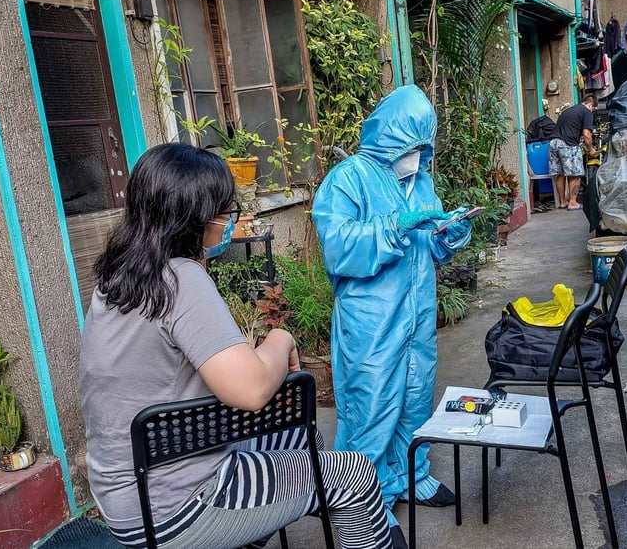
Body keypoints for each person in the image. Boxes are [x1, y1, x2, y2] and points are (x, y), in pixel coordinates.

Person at [80, 143, 397, 549]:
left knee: (300, 439)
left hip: (130, 492)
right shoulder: (180, 279)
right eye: (227, 211)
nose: (231, 220)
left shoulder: (118, 279)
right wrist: (281, 338)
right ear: (196, 218)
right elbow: (251, 390)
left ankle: (246, 534)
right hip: (177, 505)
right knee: (355, 474)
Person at [312, 85, 474, 529]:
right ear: (388, 137)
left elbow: (429, 244)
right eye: (411, 146)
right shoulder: (348, 179)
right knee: (371, 410)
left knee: (416, 399)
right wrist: (394, 225)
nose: (417, 157)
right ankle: (363, 500)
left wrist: (448, 234)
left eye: (424, 147)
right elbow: (339, 248)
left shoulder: (421, 181)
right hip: (372, 323)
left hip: (417, 317)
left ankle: (411, 475)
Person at [548, 94, 599, 211]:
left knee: (560, 174)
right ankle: (573, 202)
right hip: (567, 145)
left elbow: (570, 130)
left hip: (554, 143)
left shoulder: (569, 111)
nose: (592, 111)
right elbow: (587, 134)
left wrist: (583, 146)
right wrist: (591, 149)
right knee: (576, 174)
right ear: (590, 105)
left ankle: (562, 202)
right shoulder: (586, 112)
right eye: (593, 109)